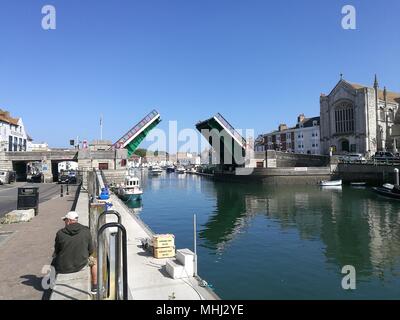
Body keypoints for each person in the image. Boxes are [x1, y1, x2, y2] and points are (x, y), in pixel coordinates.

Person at [52, 211, 97, 293]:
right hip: (81, 265)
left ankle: (51, 284)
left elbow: (57, 251)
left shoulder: (60, 233)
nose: (64, 222)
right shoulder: (86, 231)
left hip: (63, 267)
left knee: (53, 262)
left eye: (65, 220)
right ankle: (94, 286)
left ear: (68, 221)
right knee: (94, 262)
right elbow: (91, 250)